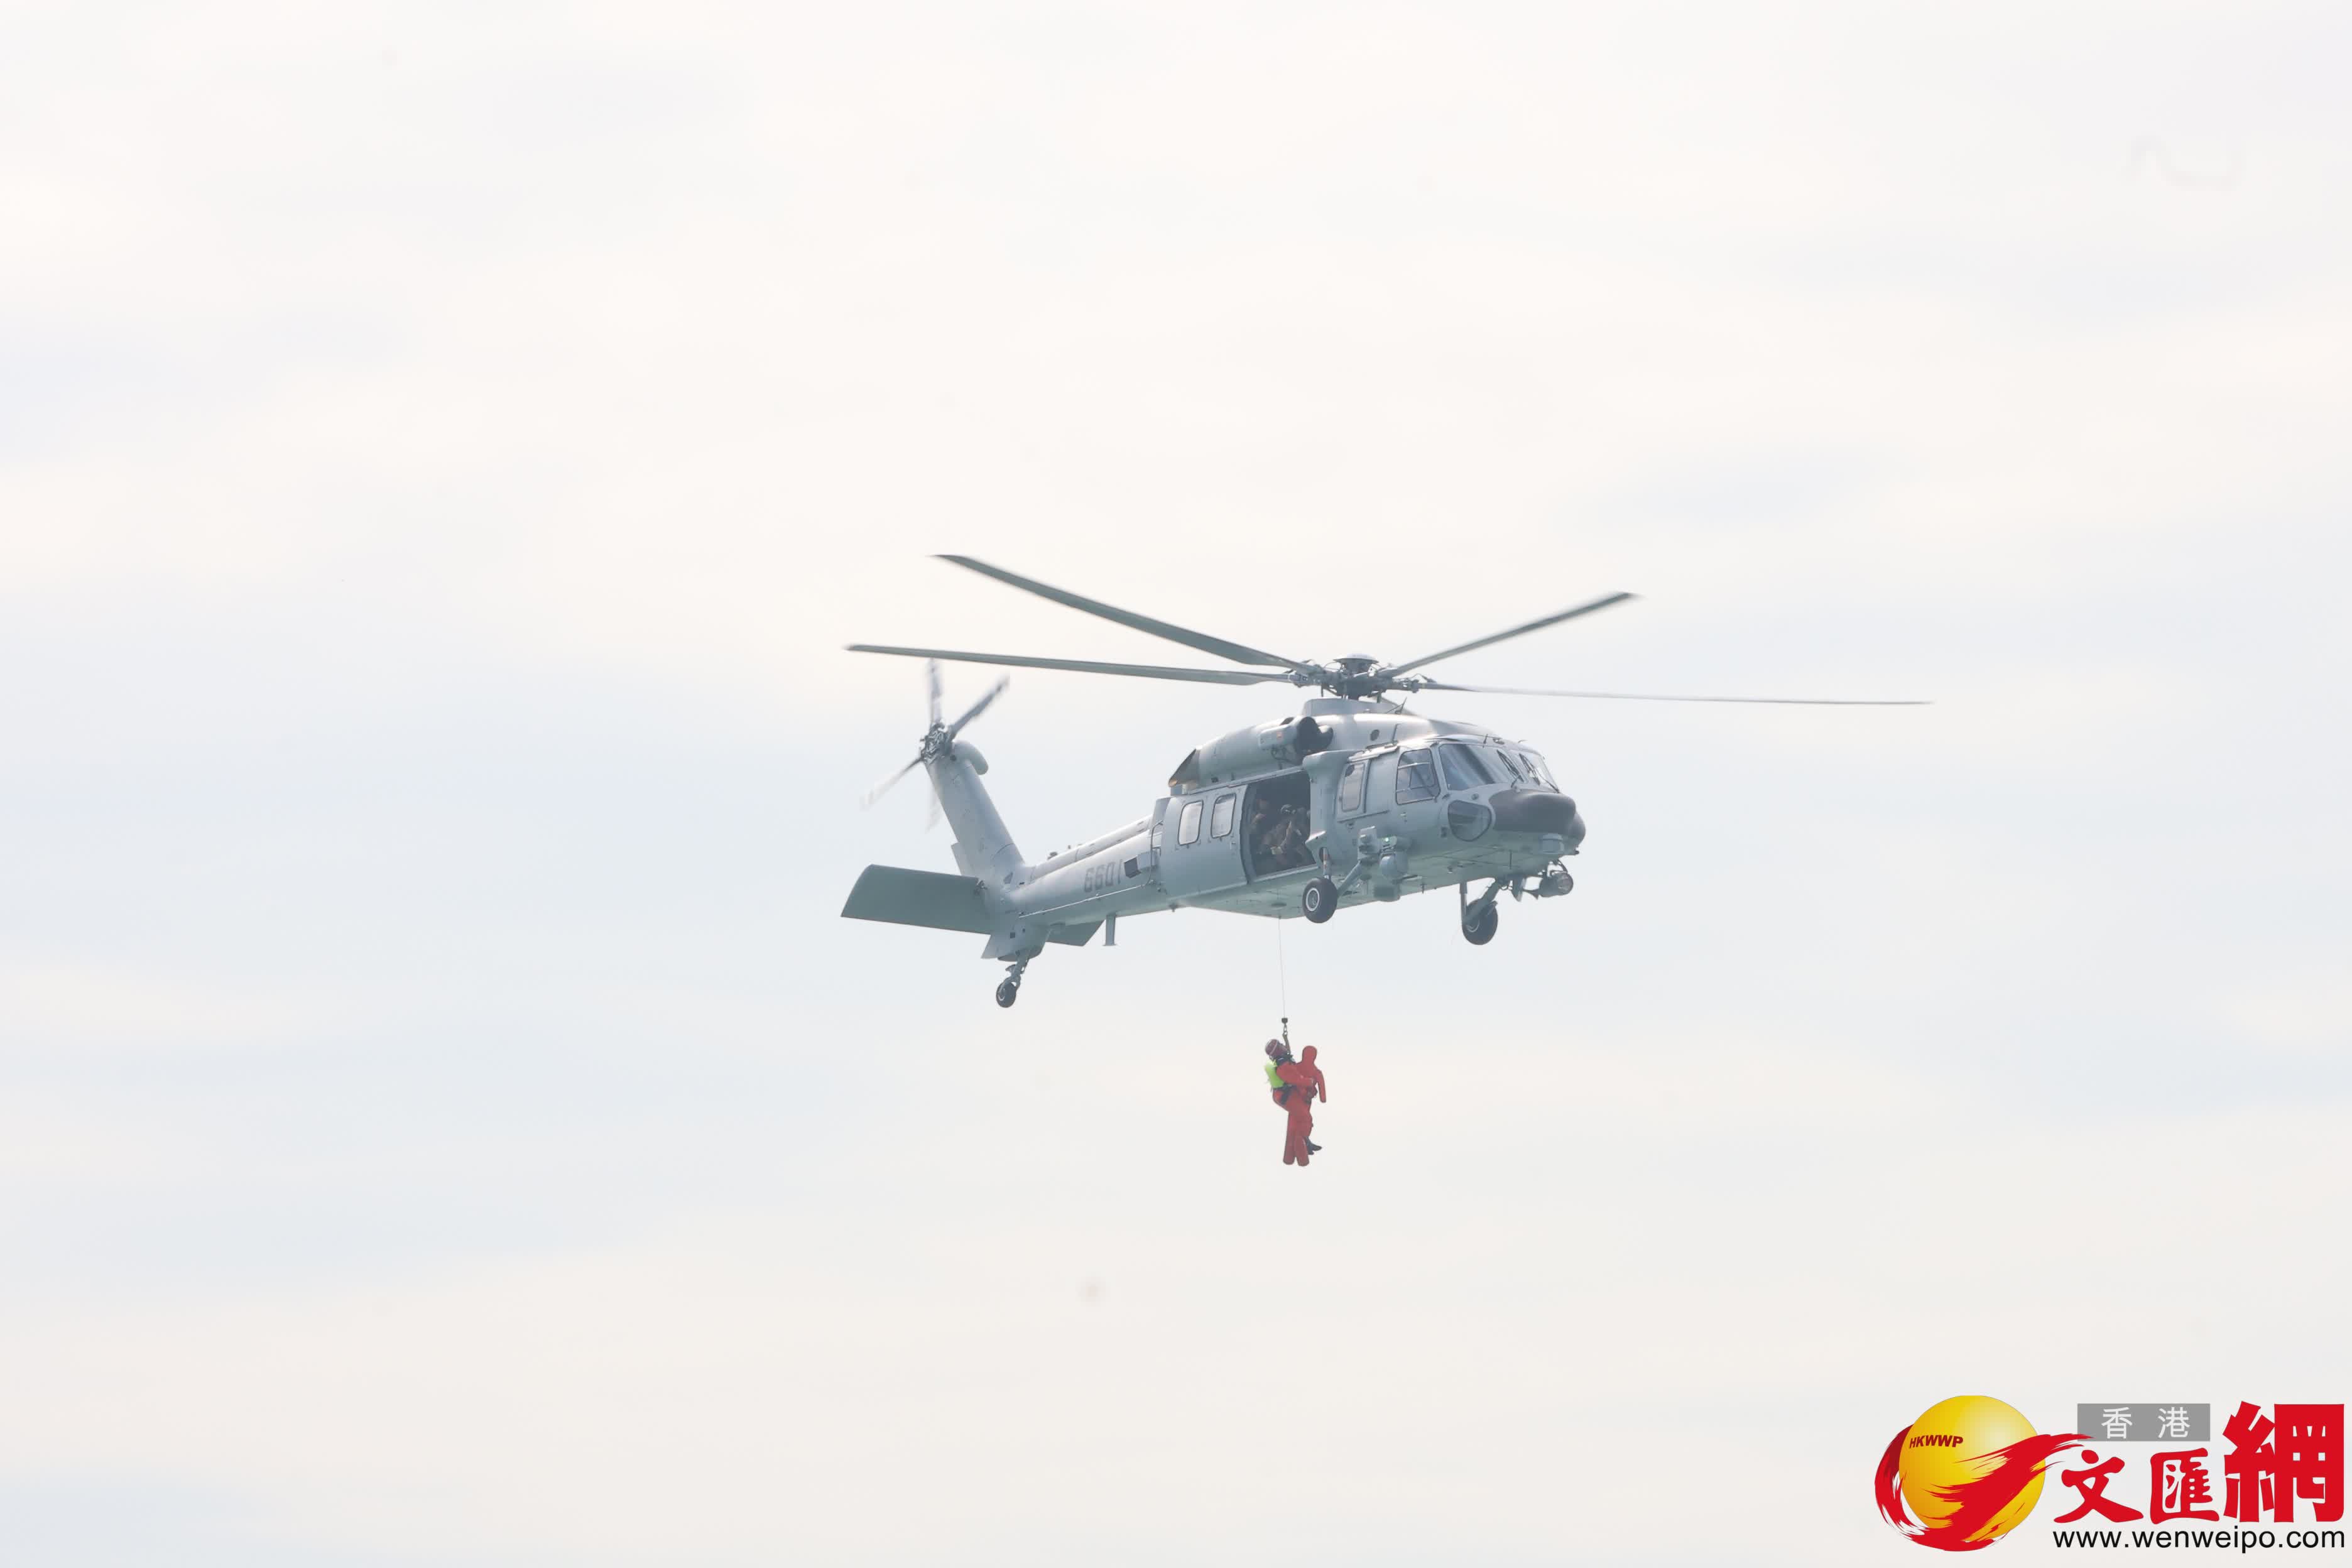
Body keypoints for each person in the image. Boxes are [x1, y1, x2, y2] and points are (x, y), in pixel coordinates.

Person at [1263, 1038, 1327, 1167]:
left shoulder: (1285, 1060)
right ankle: (1303, 1142)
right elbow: (1295, 1079)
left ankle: (1291, 1155)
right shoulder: (1283, 1066)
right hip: (1285, 1096)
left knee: (1294, 1122)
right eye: (1280, 1045)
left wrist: (1285, 1038)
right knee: (1305, 1118)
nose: (1283, 1046)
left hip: (1287, 1094)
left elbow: (1293, 1069)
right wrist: (1310, 1082)